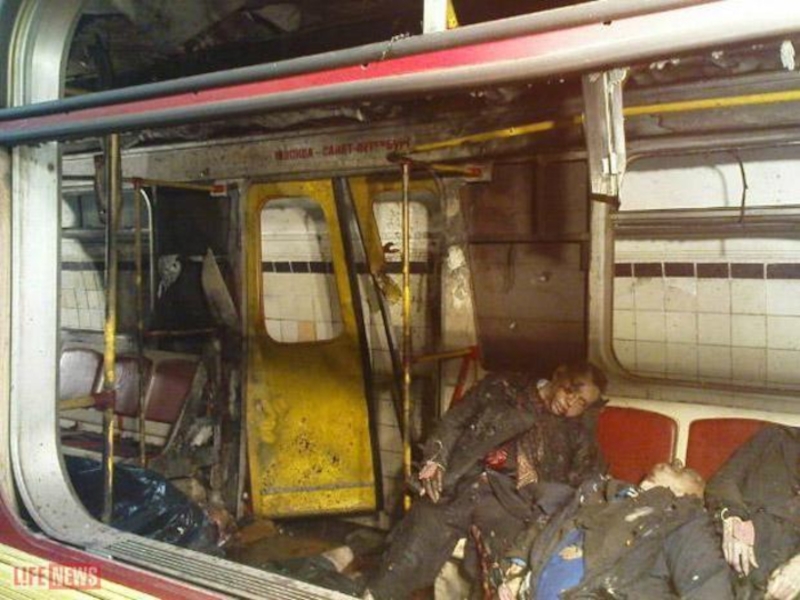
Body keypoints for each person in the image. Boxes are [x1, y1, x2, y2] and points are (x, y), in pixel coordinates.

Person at [365, 361, 608, 600]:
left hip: (514, 504)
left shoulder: (578, 431)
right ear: (558, 374)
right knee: (418, 538)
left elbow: (588, 479)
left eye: (581, 403)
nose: (570, 404)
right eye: (570, 391)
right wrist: (435, 460)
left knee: (504, 570)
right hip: (462, 483)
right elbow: (453, 422)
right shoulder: (504, 387)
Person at [510, 461, 733, 599]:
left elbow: (708, 584)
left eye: (681, 470)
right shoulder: (599, 494)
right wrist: (517, 568)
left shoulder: (683, 520)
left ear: (684, 495)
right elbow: (548, 527)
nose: (675, 462)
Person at [705, 425, 800, 600]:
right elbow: (723, 481)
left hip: (787, 574)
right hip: (731, 558)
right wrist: (733, 516)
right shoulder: (774, 437)